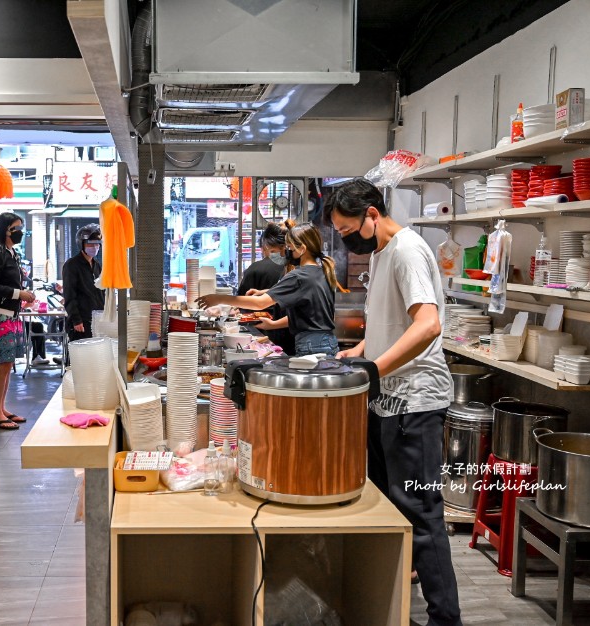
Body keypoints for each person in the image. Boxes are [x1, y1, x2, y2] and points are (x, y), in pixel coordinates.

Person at [329, 178, 462, 626]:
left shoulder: (406, 250)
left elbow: (427, 325)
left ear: (372, 214)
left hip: (416, 402)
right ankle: (390, 606)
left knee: (422, 519)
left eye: (349, 231)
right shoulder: (384, 253)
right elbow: (394, 319)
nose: (347, 241)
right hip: (389, 401)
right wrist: (362, 348)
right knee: (390, 506)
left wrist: (374, 368)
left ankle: (446, 620)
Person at [198, 222, 339, 357]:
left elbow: (260, 303)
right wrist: (268, 302)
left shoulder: (299, 276)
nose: (286, 253)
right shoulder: (323, 273)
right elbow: (311, 314)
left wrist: (219, 298)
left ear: (302, 249)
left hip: (311, 345)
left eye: (289, 248)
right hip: (328, 342)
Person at [0, 212, 35, 429]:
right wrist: (19, 294)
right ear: (6, 229)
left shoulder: (11, 253)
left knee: (8, 363)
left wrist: (23, 296)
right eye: (16, 227)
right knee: (2, 364)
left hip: (11, 314)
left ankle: (2, 408)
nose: (20, 231)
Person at [237, 222, 295, 355]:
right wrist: (262, 292)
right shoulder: (290, 269)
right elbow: (283, 291)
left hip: (270, 336)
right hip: (292, 340)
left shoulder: (298, 272)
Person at [62, 223, 104, 343]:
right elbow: (69, 295)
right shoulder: (71, 265)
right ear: (82, 244)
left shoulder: (97, 265)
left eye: (97, 243)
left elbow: (101, 291)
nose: (95, 246)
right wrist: (76, 320)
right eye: (91, 243)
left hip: (96, 320)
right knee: (79, 358)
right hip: (80, 322)